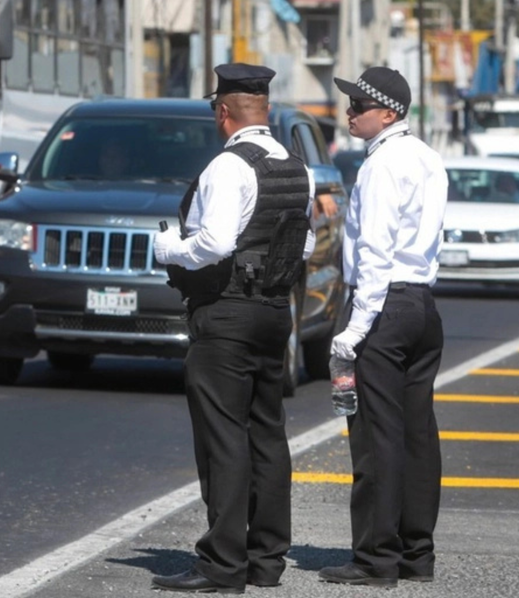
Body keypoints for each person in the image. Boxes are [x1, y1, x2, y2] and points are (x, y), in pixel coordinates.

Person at [151, 63, 316, 594]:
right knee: (267, 434)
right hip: (274, 311)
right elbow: (305, 243)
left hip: (226, 312)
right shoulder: (297, 167)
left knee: (223, 439)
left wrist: (169, 248)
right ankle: (266, 561)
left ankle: (222, 564)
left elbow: (216, 242)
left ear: (223, 112)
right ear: (263, 110)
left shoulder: (228, 166)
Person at [320, 66, 449, 587]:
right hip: (421, 303)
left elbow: (375, 252)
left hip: (384, 305)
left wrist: (355, 329)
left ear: (389, 113)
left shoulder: (380, 165)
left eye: (359, 105)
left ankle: (376, 558)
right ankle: (416, 554)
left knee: (377, 437)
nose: (349, 113)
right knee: (417, 434)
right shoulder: (428, 157)